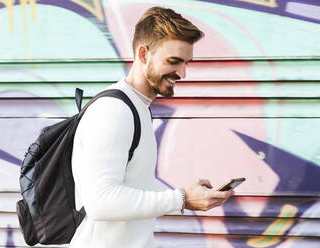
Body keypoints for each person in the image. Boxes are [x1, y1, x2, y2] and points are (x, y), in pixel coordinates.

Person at [70, 6, 234, 248]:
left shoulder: (137, 108)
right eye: (174, 61)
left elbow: (133, 191)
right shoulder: (114, 111)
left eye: (187, 63)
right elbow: (100, 201)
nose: (183, 73)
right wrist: (181, 198)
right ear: (144, 54)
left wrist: (186, 193)